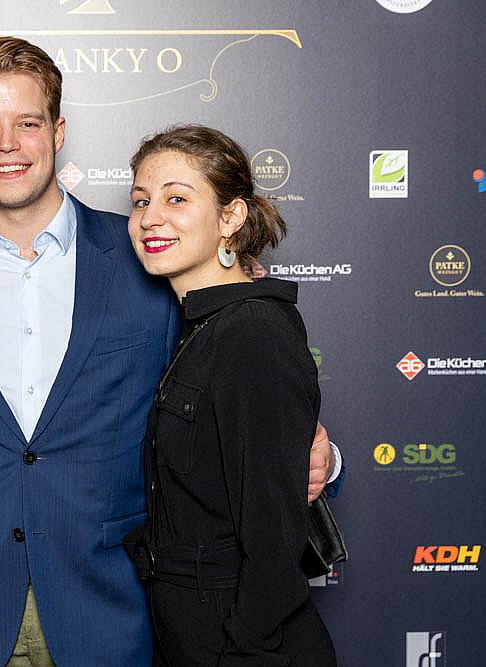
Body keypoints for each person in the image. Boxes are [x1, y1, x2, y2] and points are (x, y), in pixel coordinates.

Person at [0, 37, 342, 666]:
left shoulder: (150, 261)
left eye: (27, 123)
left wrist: (321, 452)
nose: (6, 144)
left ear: (58, 132)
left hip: (113, 612)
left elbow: (232, 393)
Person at [124, 125, 337, 666]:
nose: (150, 217)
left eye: (176, 199)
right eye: (141, 201)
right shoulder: (202, 328)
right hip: (190, 635)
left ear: (230, 217)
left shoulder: (251, 332)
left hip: (242, 647)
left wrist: (245, 649)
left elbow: (273, 542)